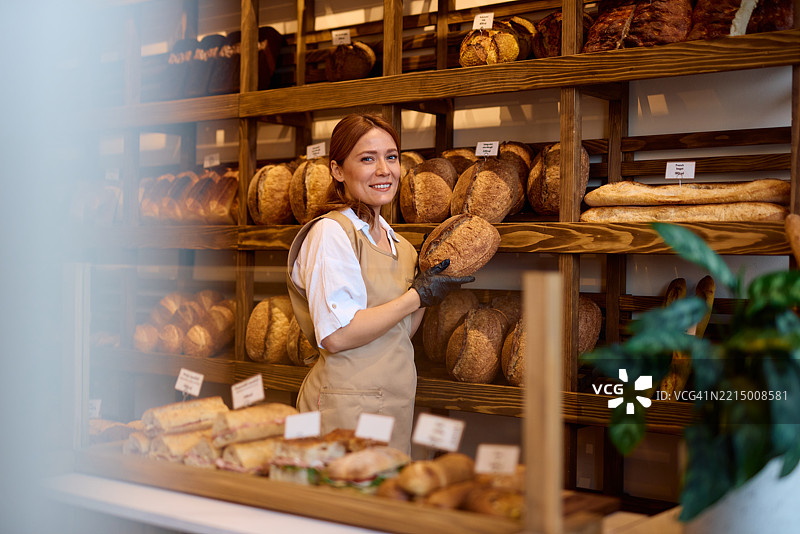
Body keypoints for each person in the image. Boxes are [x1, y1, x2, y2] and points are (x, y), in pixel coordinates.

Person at [286, 113, 473, 452]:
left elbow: (398, 332)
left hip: (393, 402)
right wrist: (417, 296)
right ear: (338, 170)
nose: (384, 170)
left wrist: (429, 293)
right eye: (367, 159)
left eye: (391, 157)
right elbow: (337, 335)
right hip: (342, 407)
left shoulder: (399, 245)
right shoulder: (331, 232)